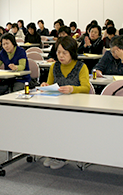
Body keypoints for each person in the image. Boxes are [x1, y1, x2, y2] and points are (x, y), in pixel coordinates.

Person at [41, 36, 91, 170]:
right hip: (57, 104)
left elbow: (86, 88)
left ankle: (62, 155)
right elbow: (50, 84)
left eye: (64, 53)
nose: (61, 56)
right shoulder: (54, 66)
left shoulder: (81, 66)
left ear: (72, 53)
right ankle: (53, 152)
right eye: (58, 52)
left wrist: (72, 89)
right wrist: (45, 85)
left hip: (75, 106)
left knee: (63, 124)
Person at [0, 33, 31, 99]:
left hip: (21, 79)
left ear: (13, 43)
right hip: (8, 79)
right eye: (3, 44)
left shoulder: (21, 51)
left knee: (15, 92)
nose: (5, 46)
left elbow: (22, 66)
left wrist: (16, 67)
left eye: (7, 43)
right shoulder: (3, 52)